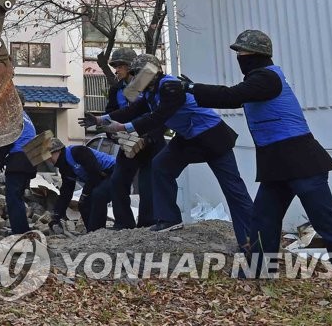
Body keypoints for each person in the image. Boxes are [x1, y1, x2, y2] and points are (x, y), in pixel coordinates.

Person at [185, 30, 332, 312]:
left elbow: (233, 97)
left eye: (242, 53)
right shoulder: (260, 78)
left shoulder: (266, 77)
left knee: (327, 224)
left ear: (256, 55)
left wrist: (193, 89)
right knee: (263, 219)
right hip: (277, 163)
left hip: (301, 161)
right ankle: (259, 270)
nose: (239, 58)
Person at [84, 54, 254, 250]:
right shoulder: (149, 92)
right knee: (161, 165)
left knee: (233, 188)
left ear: (152, 73)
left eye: (140, 74)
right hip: (187, 137)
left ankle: (251, 237)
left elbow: (158, 117)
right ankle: (168, 219)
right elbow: (132, 110)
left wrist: (122, 127)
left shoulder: (170, 87)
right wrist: (99, 120)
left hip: (211, 137)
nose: (135, 79)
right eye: (135, 74)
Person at [100, 47, 165, 229]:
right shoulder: (116, 90)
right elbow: (111, 114)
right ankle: (124, 224)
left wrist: (148, 137)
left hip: (151, 142)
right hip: (127, 143)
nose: (117, 70)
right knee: (118, 181)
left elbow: (160, 116)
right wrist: (111, 133)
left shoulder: (149, 85)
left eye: (119, 66)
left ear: (131, 67)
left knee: (147, 185)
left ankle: (147, 224)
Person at [48, 138, 116, 233]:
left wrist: (85, 194)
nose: (48, 159)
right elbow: (66, 193)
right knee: (83, 204)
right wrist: (56, 215)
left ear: (58, 150)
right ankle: (92, 232)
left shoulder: (77, 152)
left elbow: (94, 173)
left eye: (49, 155)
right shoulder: (65, 168)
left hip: (113, 171)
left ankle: (98, 232)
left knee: (98, 195)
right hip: (100, 177)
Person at [0, 93, 38, 235]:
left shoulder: (14, 115)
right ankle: (22, 228)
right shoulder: (26, 117)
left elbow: (7, 139)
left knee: (12, 197)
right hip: (31, 159)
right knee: (18, 196)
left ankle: (19, 232)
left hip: (20, 159)